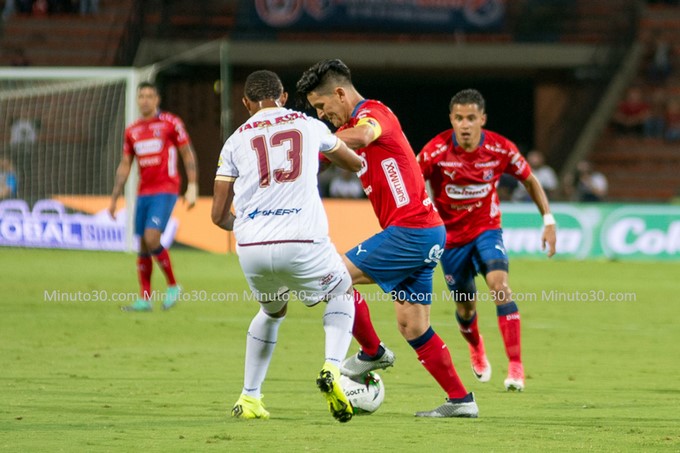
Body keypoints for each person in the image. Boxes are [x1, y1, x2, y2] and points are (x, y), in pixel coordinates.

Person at [297, 59, 478, 418]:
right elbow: (324, 160)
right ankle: (461, 401)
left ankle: (372, 352)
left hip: (412, 231)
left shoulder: (373, 114)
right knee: (413, 326)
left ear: (339, 93)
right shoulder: (345, 129)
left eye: (321, 106)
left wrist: (314, 137)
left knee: (330, 278)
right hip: (424, 233)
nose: (321, 115)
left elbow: (364, 136)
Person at [211, 70, 362, 422]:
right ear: (282, 96)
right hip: (302, 239)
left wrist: (246, 228)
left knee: (272, 312)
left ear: (246, 103)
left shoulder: (234, 141)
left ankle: (249, 398)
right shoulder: (308, 124)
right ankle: (332, 367)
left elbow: (218, 215)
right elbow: (353, 163)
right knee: (341, 291)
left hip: (252, 246)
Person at [418, 89, 557, 392]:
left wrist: (548, 220)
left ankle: (516, 366)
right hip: (450, 240)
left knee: (500, 286)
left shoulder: (500, 148)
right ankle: (476, 345)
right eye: (459, 118)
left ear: (482, 119)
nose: (465, 124)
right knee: (466, 310)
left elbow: (530, 180)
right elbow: (412, 182)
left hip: (486, 229)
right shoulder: (434, 151)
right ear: (451, 119)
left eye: (471, 118)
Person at [108, 81, 198, 311]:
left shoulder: (170, 123)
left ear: (157, 99)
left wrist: (193, 185)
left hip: (166, 189)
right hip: (143, 192)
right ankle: (145, 299)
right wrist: (115, 197)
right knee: (142, 245)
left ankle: (173, 285)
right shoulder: (132, 130)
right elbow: (125, 164)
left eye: (149, 96)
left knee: (151, 238)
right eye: (141, 96)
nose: (145, 100)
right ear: (137, 100)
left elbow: (187, 153)